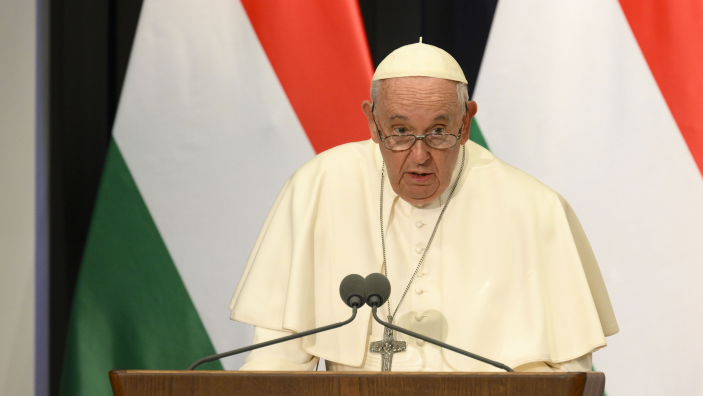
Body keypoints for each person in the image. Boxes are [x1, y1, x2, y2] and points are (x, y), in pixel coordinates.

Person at [229, 40, 618, 372]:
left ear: (466, 124)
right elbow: (273, 362)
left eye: (438, 132)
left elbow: (567, 374)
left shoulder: (534, 209)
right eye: (398, 132)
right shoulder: (316, 187)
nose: (418, 155)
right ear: (371, 121)